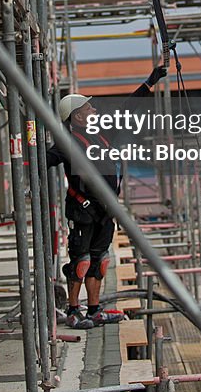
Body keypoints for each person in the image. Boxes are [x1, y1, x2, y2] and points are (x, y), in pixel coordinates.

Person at [48, 64, 167, 329]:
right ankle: (73, 310)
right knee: (81, 260)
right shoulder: (67, 143)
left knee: (99, 260)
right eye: (88, 109)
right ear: (77, 117)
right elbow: (43, 159)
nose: (94, 111)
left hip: (105, 211)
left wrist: (150, 82)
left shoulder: (101, 135)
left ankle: (93, 309)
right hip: (83, 210)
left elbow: (127, 109)